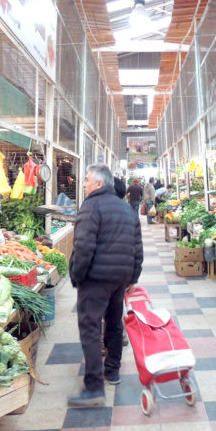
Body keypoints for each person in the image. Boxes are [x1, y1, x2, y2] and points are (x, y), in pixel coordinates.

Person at [68, 164, 143, 408]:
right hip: (119, 277)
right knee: (113, 322)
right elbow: (137, 247)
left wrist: (76, 275)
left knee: (89, 327)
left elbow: (83, 246)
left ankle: (93, 389)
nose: (84, 184)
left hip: (96, 277)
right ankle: (112, 371)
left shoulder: (91, 206)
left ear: (99, 184)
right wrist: (133, 277)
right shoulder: (126, 208)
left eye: (87, 180)